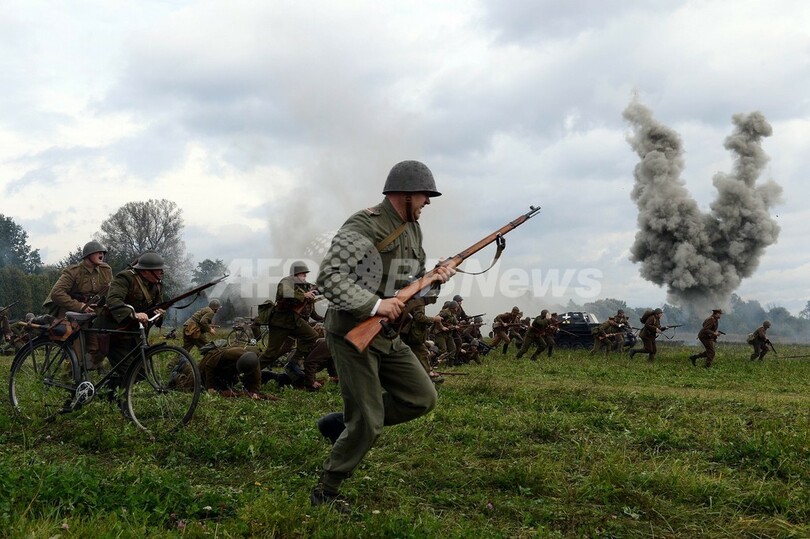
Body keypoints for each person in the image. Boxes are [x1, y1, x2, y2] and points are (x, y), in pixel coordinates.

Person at [311, 160, 454, 511]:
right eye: (424, 195)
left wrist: (434, 278)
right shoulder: (364, 224)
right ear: (404, 194)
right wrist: (374, 305)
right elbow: (329, 278)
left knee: (422, 398)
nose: (428, 202)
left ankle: (345, 424)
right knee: (370, 423)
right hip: (352, 331)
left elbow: (409, 286)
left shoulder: (412, 229)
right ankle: (326, 492)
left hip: (387, 333)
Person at [93, 251, 165, 388]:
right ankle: (114, 396)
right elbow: (113, 300)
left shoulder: (156, 284)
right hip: (114, 333)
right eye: (158, 270)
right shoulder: (125, 278)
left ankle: (112, 393)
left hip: (134, 335)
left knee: (142, 373)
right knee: (130, 372)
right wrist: (134, 314)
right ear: (145, 271)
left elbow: (158, 306)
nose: (161, 272)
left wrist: (160, 314)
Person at [42, 240, 113, 369]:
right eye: (98, 252)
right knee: (76, 354)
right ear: (88, 255)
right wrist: (79, 306)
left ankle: (88, 378)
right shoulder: (73, 271)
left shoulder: (106, 270)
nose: (101, 254)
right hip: (72, 315)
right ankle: (70, 379)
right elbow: (57, 293)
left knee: (99, 348)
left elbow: (109, 294)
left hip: (93, 315)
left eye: (103, 252)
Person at [259, 261, 319, 371]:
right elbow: (284, 292)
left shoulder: (303, 285)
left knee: (312, 336)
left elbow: (312, 290)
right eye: (303, 274)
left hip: (294, 320)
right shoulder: (287, 281)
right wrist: (304, 295)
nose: (305, 276)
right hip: (280, 321)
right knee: (270, 353)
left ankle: (294, 361)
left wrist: (313, 293)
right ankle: (250, 372)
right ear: (296, 274)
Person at [199, 346, 276, 399]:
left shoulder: (254, 365)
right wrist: (210, 387)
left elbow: (256, 380)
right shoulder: (229, 354)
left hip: (228, 371)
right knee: (193, 385)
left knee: (223, 388)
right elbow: (209, 365)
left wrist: (254, 393)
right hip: (211, 361)